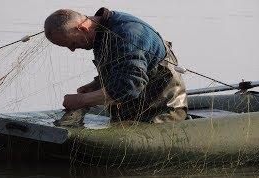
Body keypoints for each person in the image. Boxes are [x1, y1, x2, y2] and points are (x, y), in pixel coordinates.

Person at [44, 7, 187, 123]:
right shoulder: (101, 29)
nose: (72, 50)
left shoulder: (127, 35)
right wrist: (96, 84)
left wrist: (82, 100)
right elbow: (122, 68)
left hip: (162, 112)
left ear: (83, 29)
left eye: (73, 43)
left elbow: (129, 87)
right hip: (131, 111)